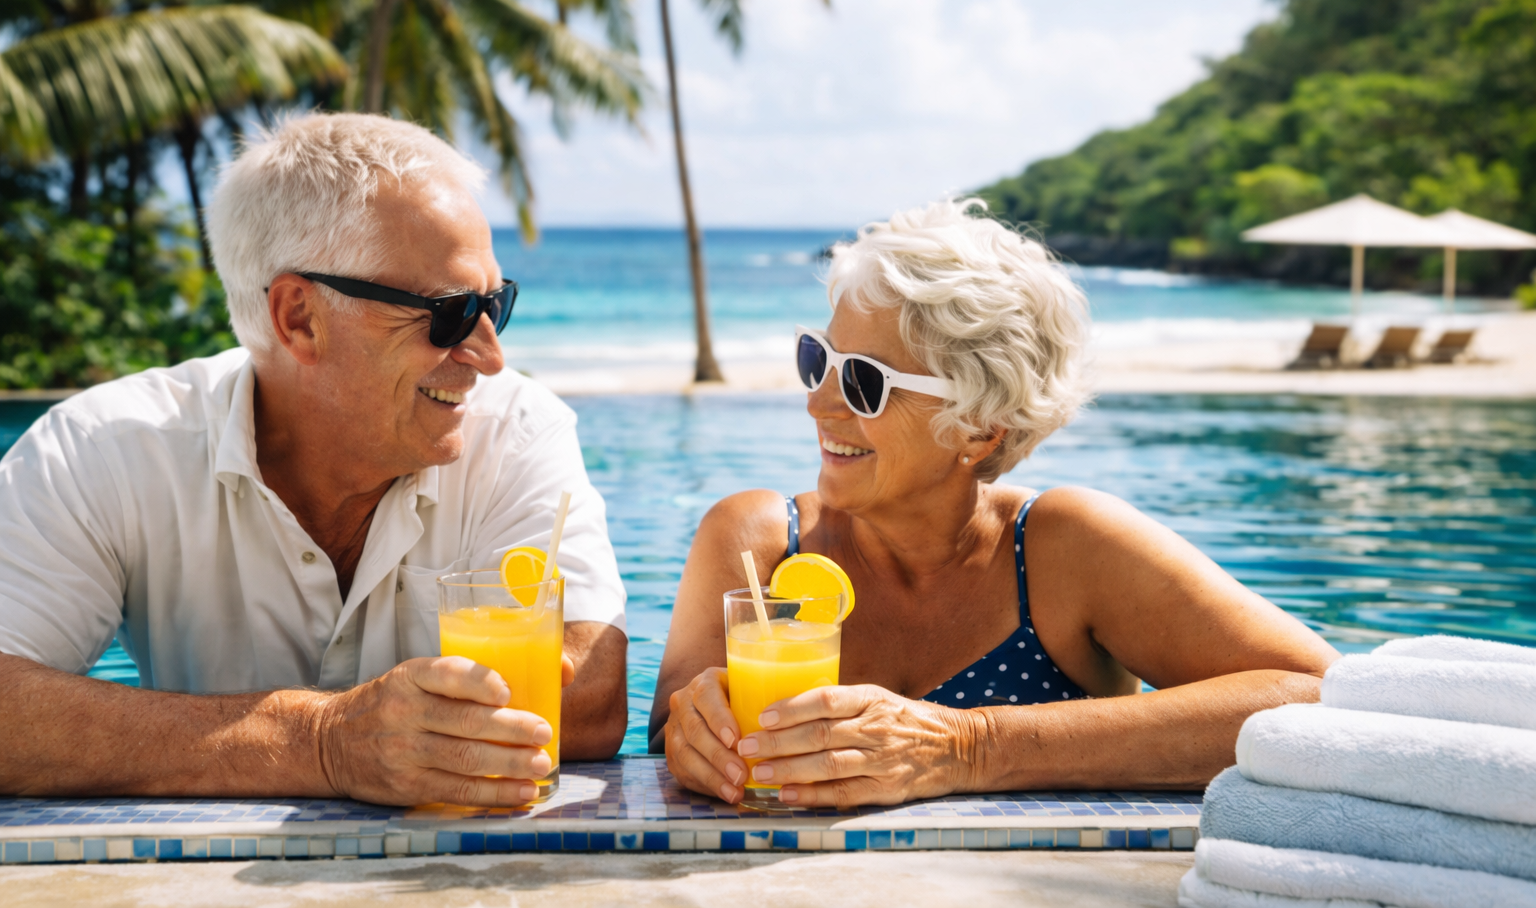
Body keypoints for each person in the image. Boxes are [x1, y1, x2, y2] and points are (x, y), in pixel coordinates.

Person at [0, 113, 628, 806]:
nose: (489, 355)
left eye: (494, 305)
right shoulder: (105, 450)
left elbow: (593, 699)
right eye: (449, 312)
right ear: (298, 317)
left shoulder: (515, 431)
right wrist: (320, 743)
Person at [651, 199, 1337, 808]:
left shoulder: (1065, 551)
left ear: (980, 427)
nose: (818, 402)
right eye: (819, 360)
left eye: (864, 382)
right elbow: (662, 749)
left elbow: (1319, 699)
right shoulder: (759, 542)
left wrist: (968, 747)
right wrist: (692, 735)